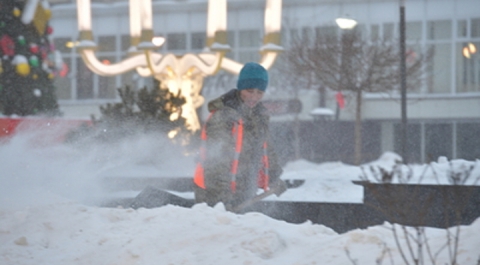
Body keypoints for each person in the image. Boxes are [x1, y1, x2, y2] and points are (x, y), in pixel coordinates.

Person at [193, 62, 287, 212]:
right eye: (250, 91)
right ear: (241, 88)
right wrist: (221, 200)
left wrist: (274, 178)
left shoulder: (259, 117)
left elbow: (266, 150)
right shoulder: (224, 116)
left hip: (244, 192)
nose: (254, 97)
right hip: (213, 195)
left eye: (259, 93)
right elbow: (216, 161)